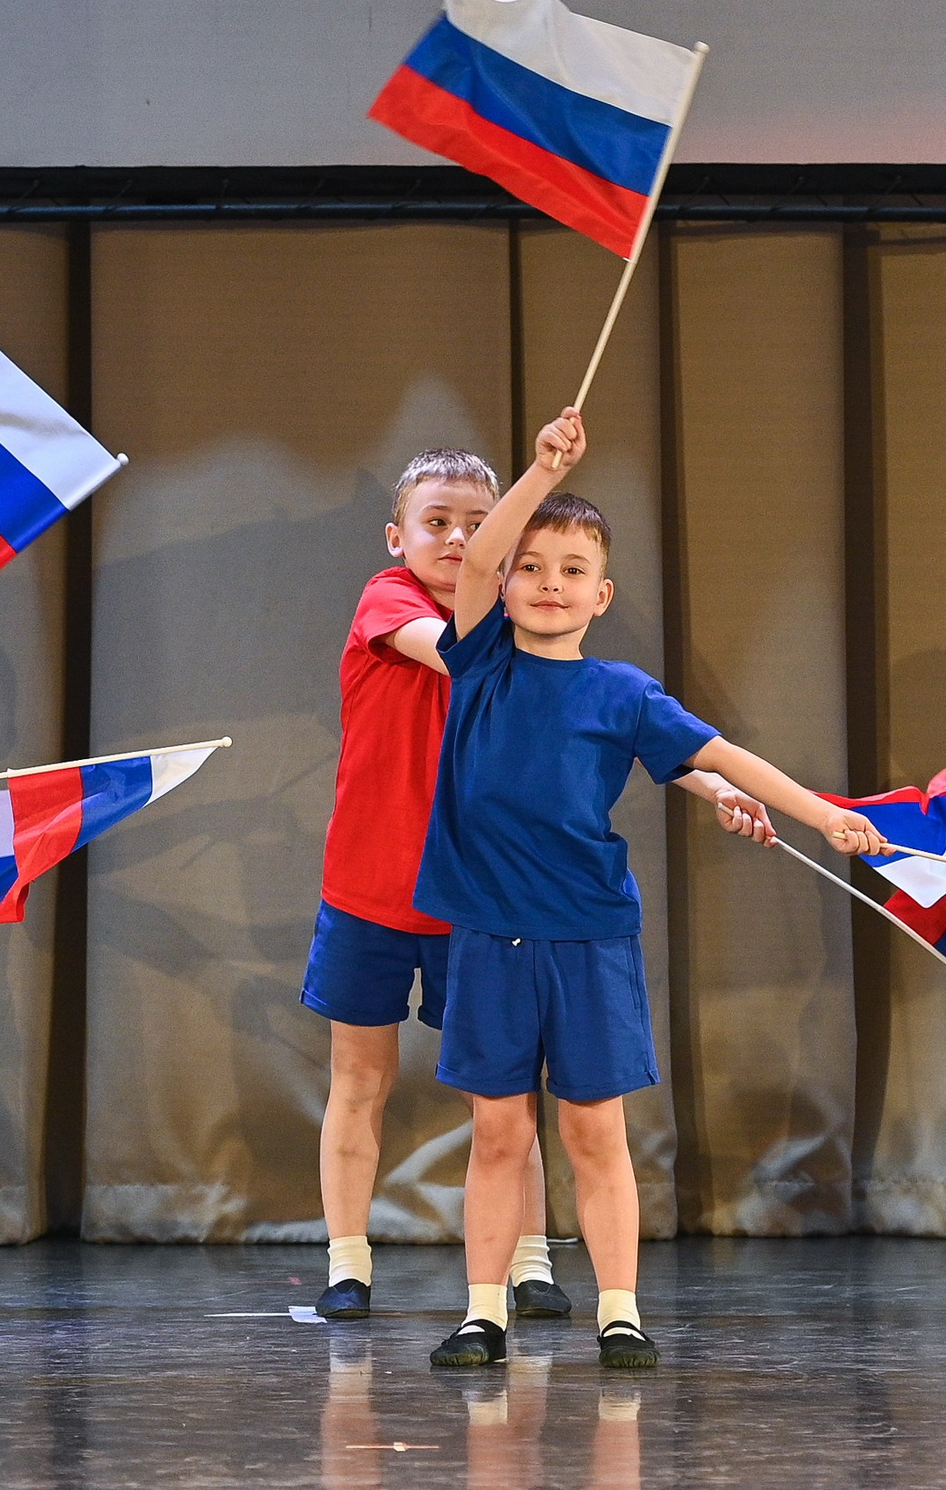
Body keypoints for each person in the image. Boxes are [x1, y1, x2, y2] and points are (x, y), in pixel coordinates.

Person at [418, 408, 883, 1371]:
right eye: (532, 567)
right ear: (504, 587)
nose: (548, 584)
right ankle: (482, 1313)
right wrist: (540, 478)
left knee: (595, 1132)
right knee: (499, 1134)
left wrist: (821, 813)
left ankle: (619, 1309)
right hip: (489, 939)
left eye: (573, 571)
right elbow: (474, 563)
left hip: (589, 940)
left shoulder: (623, 693)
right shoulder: (480, 661)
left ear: (602, 593)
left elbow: (725, 756)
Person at [310, 450, 773, 1325]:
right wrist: (515, 625)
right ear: (396, 536)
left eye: (477, 526)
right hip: (369, 889)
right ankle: (348, 1260)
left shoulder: (519, 632)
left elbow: (622, 728)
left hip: (480, 899)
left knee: (507, 1098)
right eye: (436, 522)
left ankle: (528, 1261)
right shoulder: (401, 606)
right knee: (359, 1076)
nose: (455, 538)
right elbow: (465, 659)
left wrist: (719, 787)